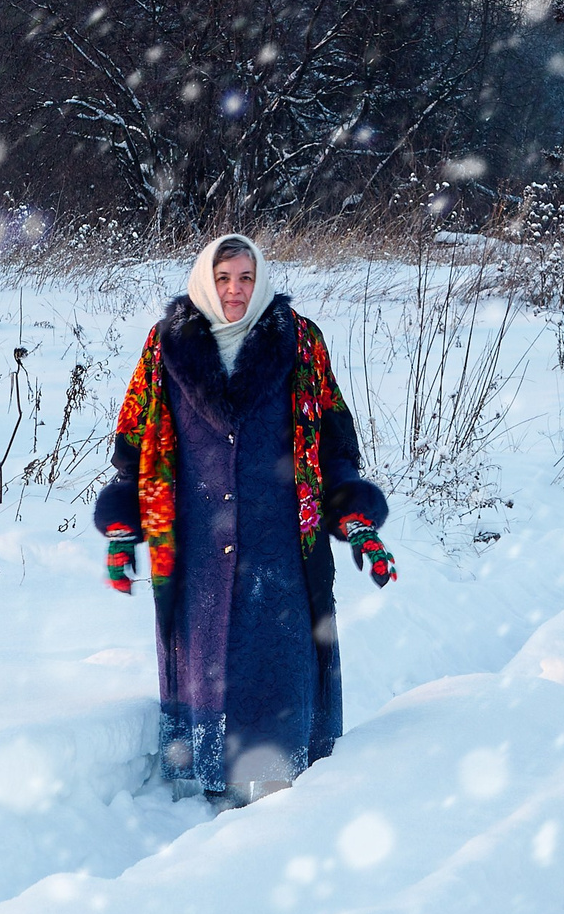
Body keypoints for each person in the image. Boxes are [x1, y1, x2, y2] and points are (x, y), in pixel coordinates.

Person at [96, 235, 396, 805]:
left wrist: (356, 519)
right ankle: (213, 781)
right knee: (208, 657)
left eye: (247, 278)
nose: (236, 290)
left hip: (281, 535)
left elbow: (332, 437)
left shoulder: (299, 340)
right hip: (195, 538)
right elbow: (135, 442)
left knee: (277, 656)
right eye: (225, 277)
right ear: (206, 280)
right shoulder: (166, 346)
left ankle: (279, 788)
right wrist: (122, 525)